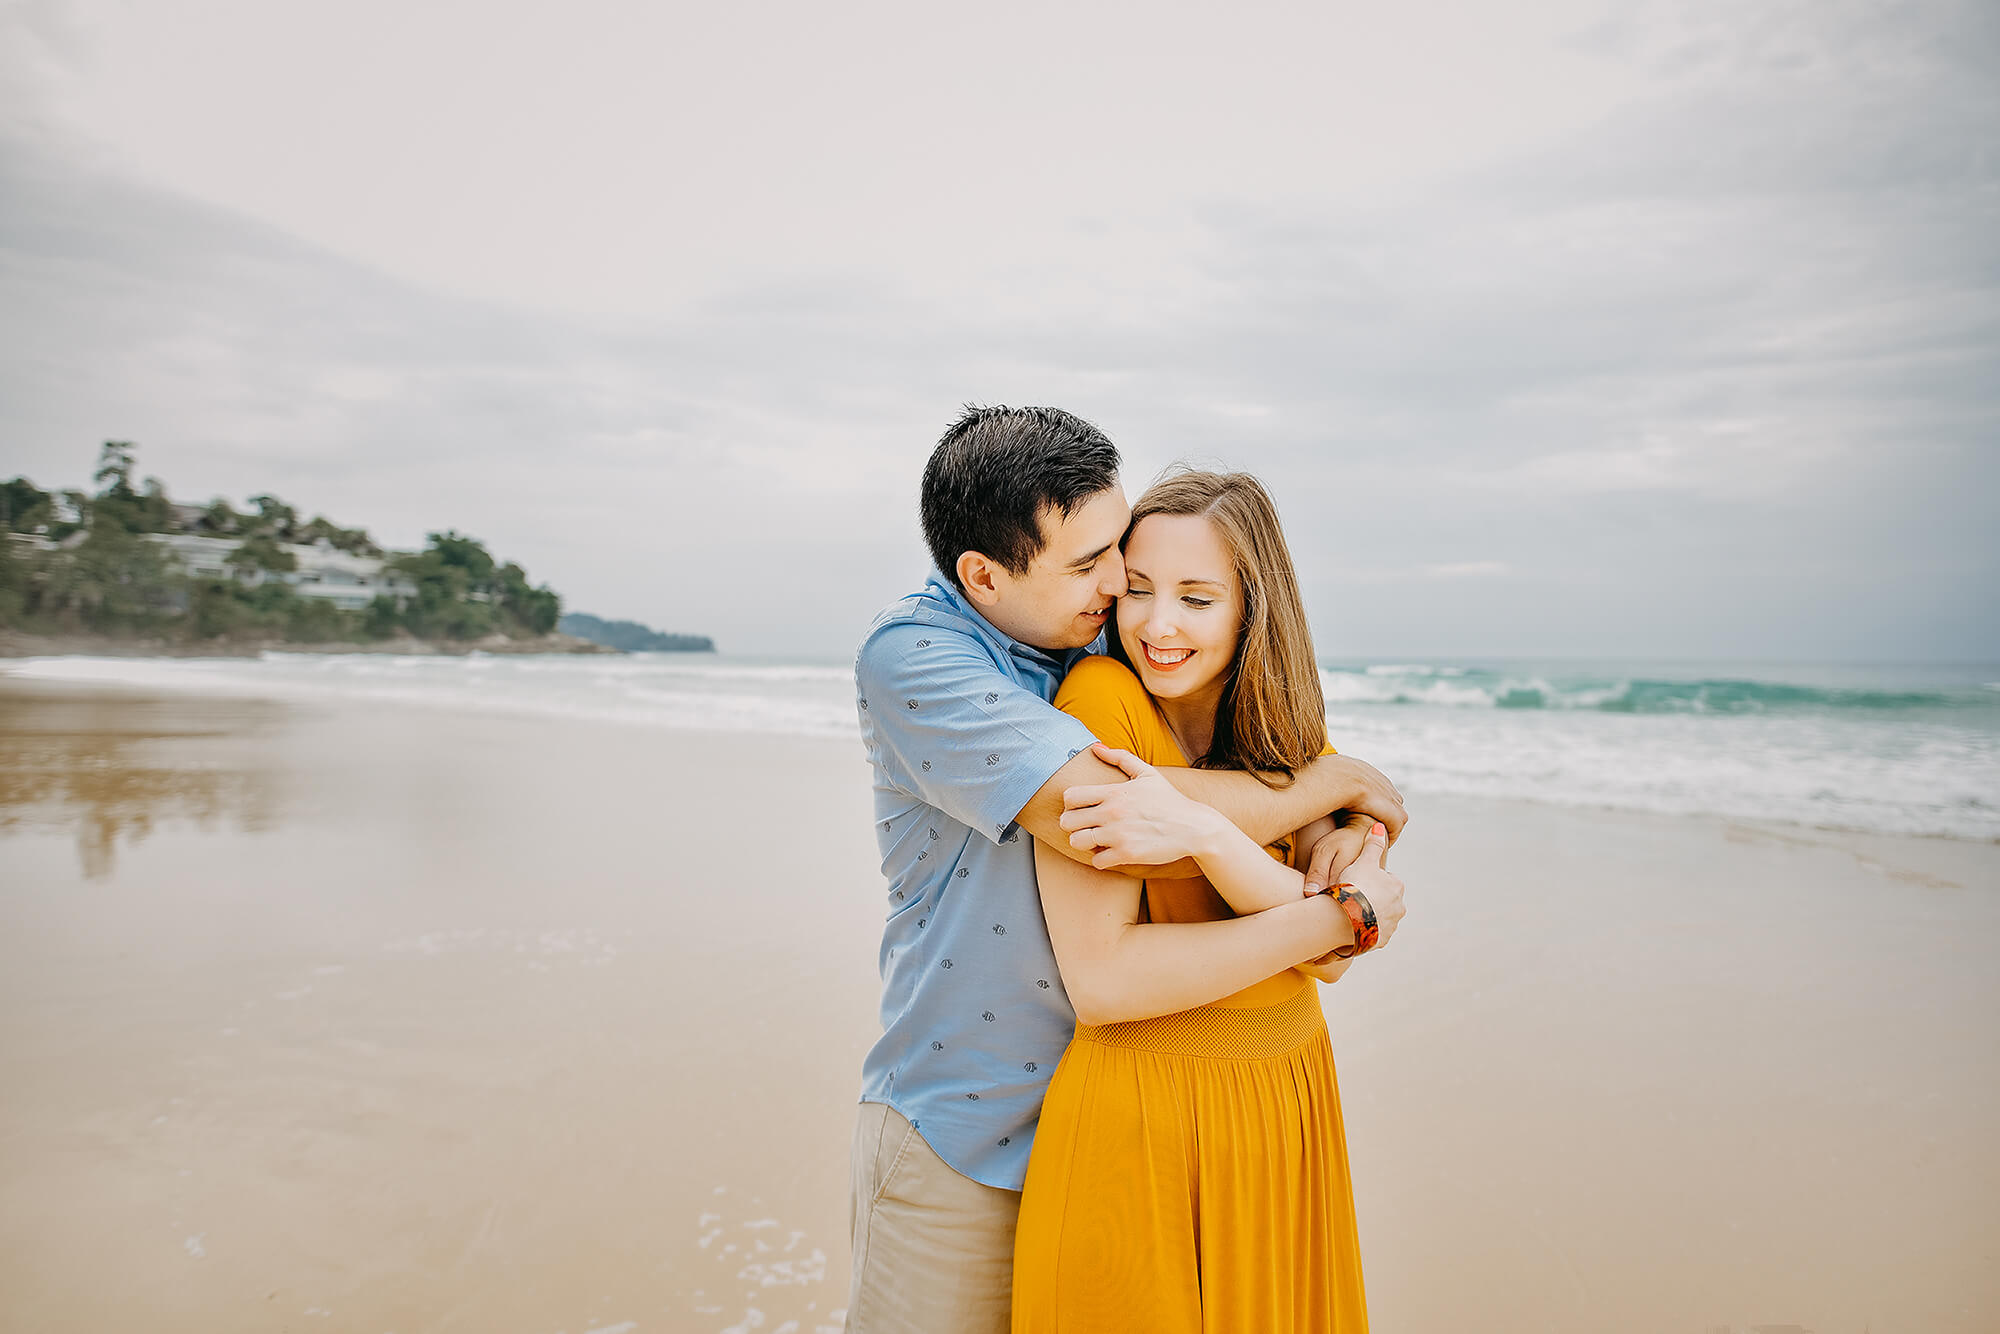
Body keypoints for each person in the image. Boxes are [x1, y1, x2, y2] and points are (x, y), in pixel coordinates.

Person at [848, 406, 1409, 1333]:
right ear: (983, 576)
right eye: (1090, 566)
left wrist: (1348, 818)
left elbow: (1233, 723)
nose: (1118, 587)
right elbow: (1114, 809)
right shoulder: (916, 658)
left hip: (1125, 1129)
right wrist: (1336, 789)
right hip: (968, 1134)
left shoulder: (1103, 630)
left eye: (1117, 552)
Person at [1010, 469, 1403, 1332]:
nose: (1158, 625)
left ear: (1252, 608)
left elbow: (1331, 953)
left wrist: (1298, 878)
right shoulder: (1101, 703)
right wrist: (1336, 915)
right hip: (1147, 1115)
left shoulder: (1290, 733)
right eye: (1138, 591)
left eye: (1196, 597)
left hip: (1286, 1101)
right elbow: (1105, 985)